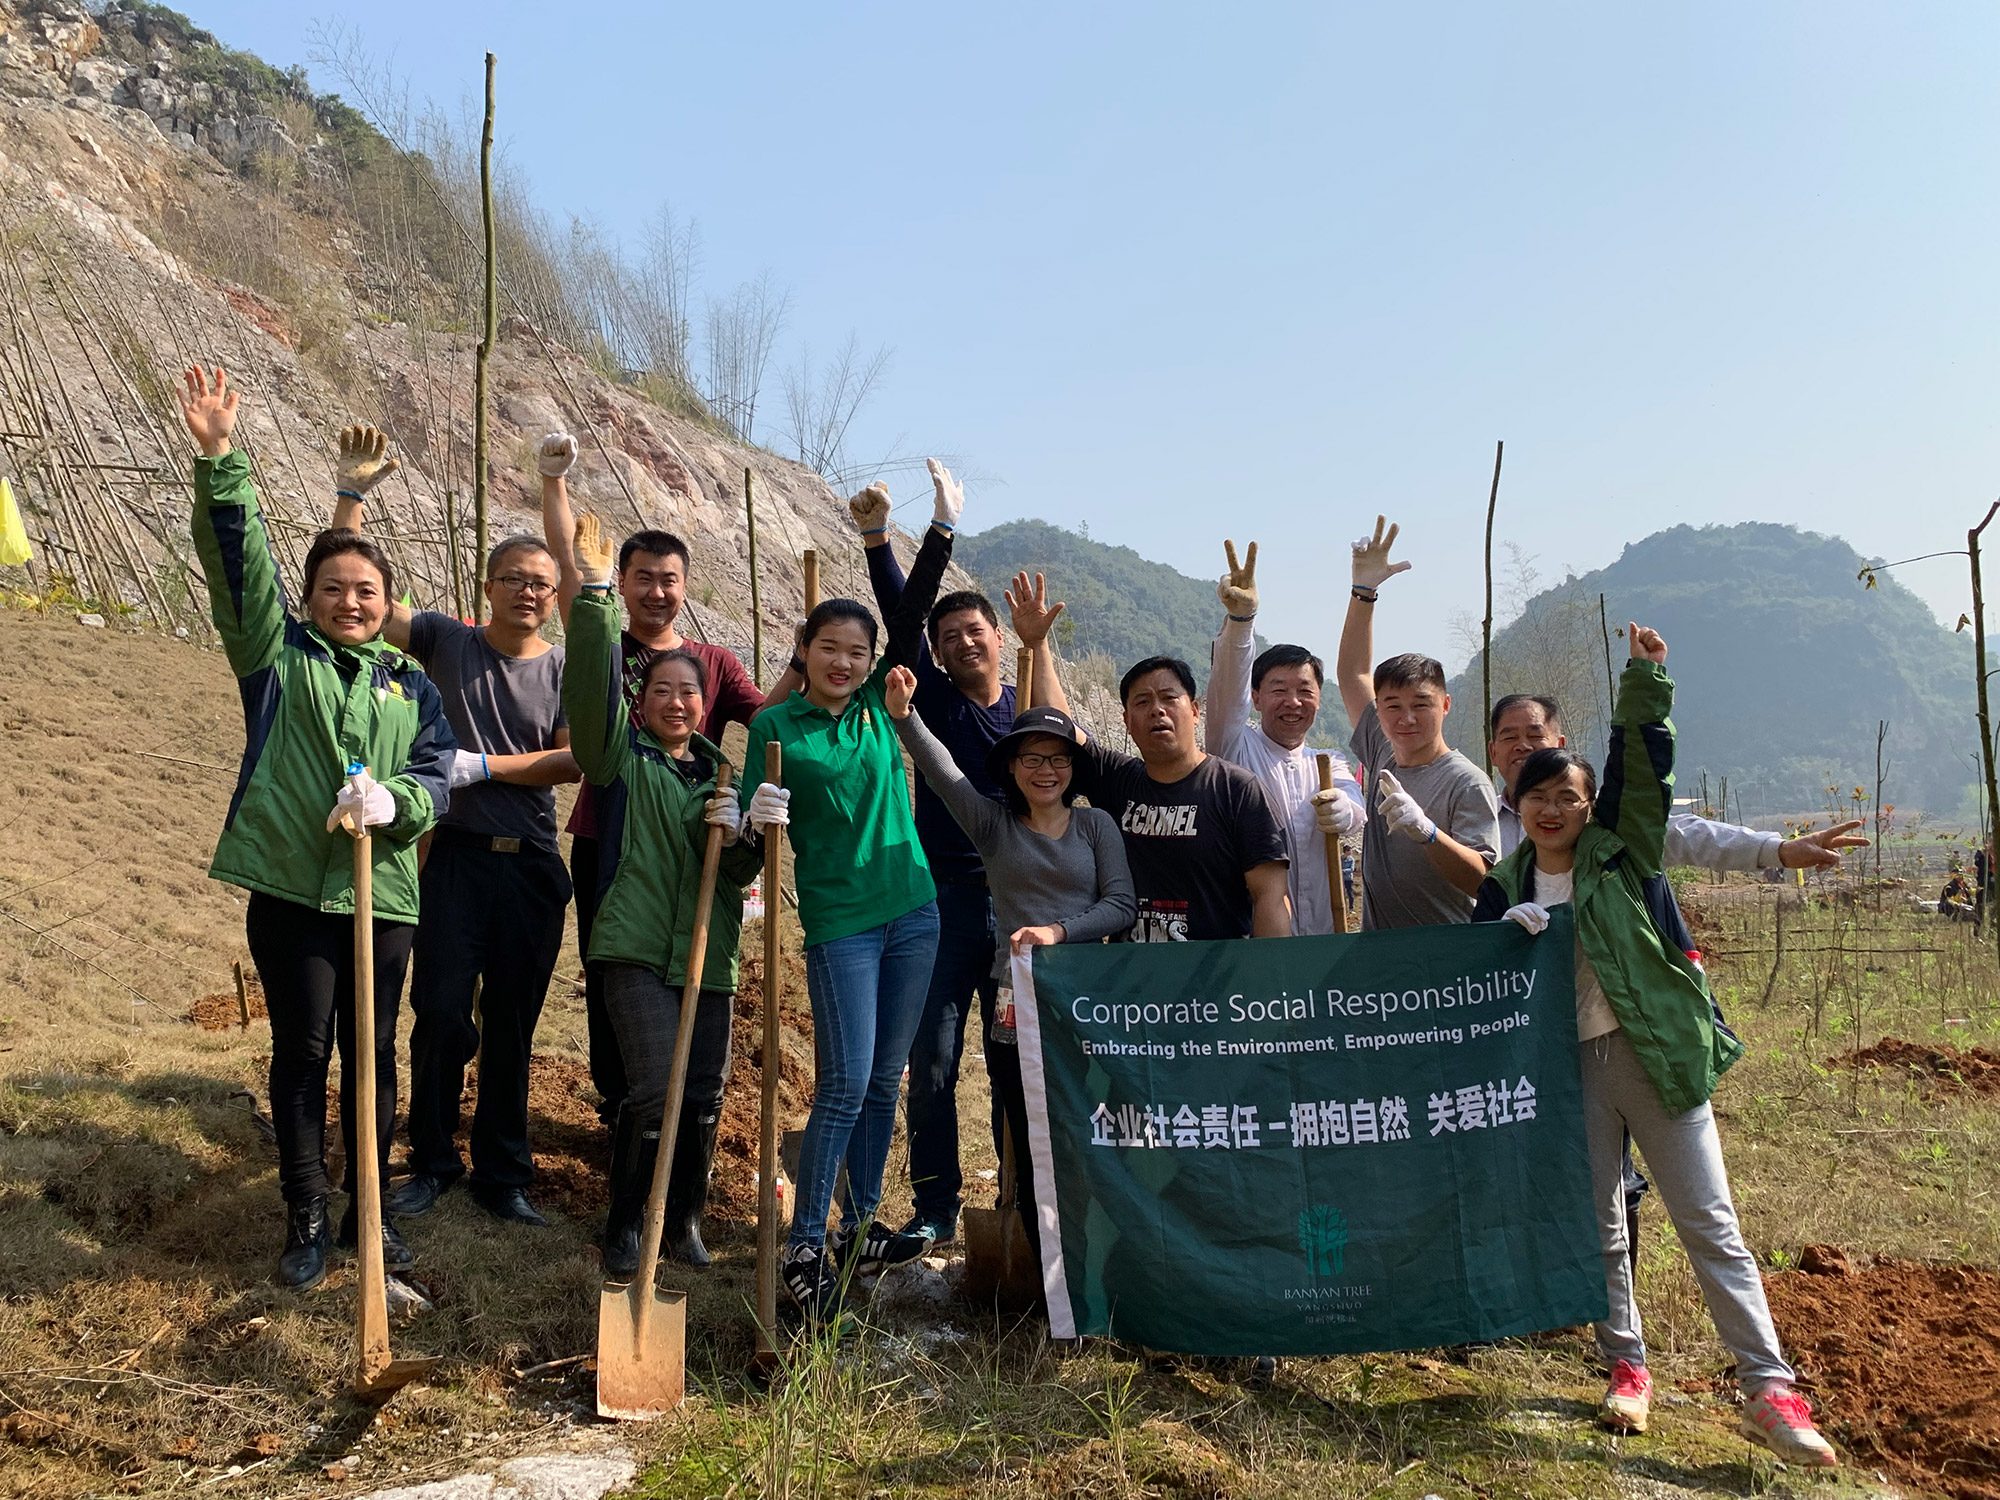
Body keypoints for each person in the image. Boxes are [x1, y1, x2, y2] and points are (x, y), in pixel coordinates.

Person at [1474, 625, 1838, 1467]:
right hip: (1570, 1076)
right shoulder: (1504, 884)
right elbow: (1475, 984)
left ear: (1588, 801)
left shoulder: (1622, 851)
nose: (1552, 808)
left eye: (1566, 793)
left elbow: (1645, 770)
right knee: (1602, 1224)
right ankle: (1628, 1368)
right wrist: (1503, 931)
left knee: (1711, 1222)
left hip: (1653, 1058)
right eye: (1537, 798)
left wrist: (1646, 678)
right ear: (1516, 805)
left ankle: (1770, 1390)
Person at [181, 368, 454, 1289]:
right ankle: (304, 1214)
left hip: (385, 896)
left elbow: (437, 777)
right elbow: (239, 571)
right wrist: (222, 459)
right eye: (335, 588)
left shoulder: (409, 683)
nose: (353, 601)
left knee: (373, 1058)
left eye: (368, 592)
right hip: (296, 892)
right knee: (302, 1053)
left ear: (387, 605)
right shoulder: (275, 658)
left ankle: (368, 1216)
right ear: (309, 599)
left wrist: (398, 806)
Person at [325, 427, 582, 1230]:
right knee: (439, 1012)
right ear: (488, 587)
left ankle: (503, 1172)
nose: (529, 593)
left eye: (542, 582)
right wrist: (353, 498)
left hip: (532, 863)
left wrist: (484, 767)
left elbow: (575, 760)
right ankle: (432, 1158)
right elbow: (353, 597)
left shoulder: (569, 667)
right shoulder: (444, 639)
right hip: (452, 860)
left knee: (512, 1020)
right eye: (514, 579)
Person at [740, 467, 959, 1318]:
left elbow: (908, 616)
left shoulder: (877, 704)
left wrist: (933, 529)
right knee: (841, 1082)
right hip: (841, 925)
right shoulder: (775, 728)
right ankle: (805, 1243)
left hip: (915, 909)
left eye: (856, 653)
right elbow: (749, 830)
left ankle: (859, 1224)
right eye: (828, 649)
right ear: (805, 653)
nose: (844, 662)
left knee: (884, 1079)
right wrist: (760, 814)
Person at [537, 434, 779, 1132]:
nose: (657, 591)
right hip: (608, 831)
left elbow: (768, 721)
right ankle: (625, 1105)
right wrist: (555, 483)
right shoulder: (605, 642)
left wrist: (805, 663)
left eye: (670, 579)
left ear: (684, 585)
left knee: (687, 965)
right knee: (613, 965)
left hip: (688, 834)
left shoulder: (713, 661)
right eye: (642, 577)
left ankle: (670, 1112)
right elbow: (575, 575)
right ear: (626, 579)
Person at [855, 469, 1068, 1247]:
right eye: (948, 640)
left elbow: (1068, 747)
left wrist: (1042, 648)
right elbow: (900, 618)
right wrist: (904, 537)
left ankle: (1023, 1197)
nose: (961, 642)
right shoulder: (937, 701)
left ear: (999, 638)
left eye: (974, 632)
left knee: (1017, 1059)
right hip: (941, 902)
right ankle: (937, 1207)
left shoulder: (1027, 714)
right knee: (933, 1058)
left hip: (1020, 906)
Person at [563, 514, 761, 1274]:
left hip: (708, 957)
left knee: (706, 1095)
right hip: (635, 950)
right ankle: (626, 1224)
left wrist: (749, 834)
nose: (678, 703)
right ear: (641, 698)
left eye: (691, 694)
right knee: (650, 1090)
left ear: (706, 704)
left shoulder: (721, 777)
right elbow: (588, 687)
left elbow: (739, 879)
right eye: (664, 691)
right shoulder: (618, 759)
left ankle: (682, 1222)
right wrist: (595, 595)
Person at [883, 673, 1136, 1266]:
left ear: (1073, 767)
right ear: (1012, 766)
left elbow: (1120, 904)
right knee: (1025, 1126)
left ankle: (1100, 1258)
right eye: (1031, 758)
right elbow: (944, 774)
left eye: (1056, 758)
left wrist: (1058, 932)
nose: (1044, 770)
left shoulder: (1096, 825)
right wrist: (903, 717)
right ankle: (1040, 1263)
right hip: (1014, 997)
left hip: (1087, 999)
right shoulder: (993, 826)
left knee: (1088, 1127)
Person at [1335, 517, 1500, 927]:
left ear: (1445, 705)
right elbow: (1353, 672)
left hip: (1448, 962)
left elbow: (1481, 880)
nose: (1406, 719)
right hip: (1383, 959)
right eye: (1392, 705)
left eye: (1421, 705)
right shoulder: (1382, 748)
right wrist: (1363, 591)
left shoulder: (1467, 781)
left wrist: (1425, 831)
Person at [1489, 693, 1868, 870]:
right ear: (1492, 753)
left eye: (1535, 736)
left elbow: (1689, 836)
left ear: (1560, 746)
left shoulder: (1602, 817)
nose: (1523, 747)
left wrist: (1778, 851)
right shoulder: (1477, 817)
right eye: (1509, 737)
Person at [1204, 538, 1365, 934]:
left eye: (1304, 691)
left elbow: (1354, 804)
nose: (1292, 702)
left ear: (1319, 699)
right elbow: (1226, 690)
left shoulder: (1328, 762)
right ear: (1256, 698)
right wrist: (1242, 623)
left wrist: (1344, 809)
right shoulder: (1234, 748)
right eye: (1278, 690)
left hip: (1326, 936)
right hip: (1256, 938)